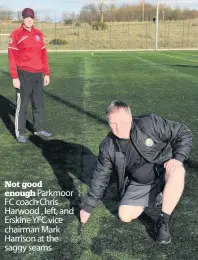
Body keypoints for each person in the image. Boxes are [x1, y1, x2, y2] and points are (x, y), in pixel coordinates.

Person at [80, 100, 192, 245]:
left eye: (122, 122)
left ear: (130, 118)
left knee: (178, 172)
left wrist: (178, 158)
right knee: (124, 215)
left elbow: (183, 132)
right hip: (141, 183)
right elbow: (100, 176)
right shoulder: (107, 147)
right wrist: (88, 207)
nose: (118, 128)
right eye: (113, 123)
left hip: (164, 170)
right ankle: (156, 195)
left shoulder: (149, 124)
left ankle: (163, 221)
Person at [8, 8, 52, 143]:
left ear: (34, 18)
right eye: (27, 17)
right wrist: (14, 77)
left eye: (31, 17)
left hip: (38, 75)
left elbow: (43, 55)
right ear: (23, 18)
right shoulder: (16, 34)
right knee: (22, 105)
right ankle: (20, 132)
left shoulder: (39, 34)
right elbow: (12, 57)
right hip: (23, 74)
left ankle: (38, 128)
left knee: (38, 104)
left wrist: (47, 73)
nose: (29, 19)